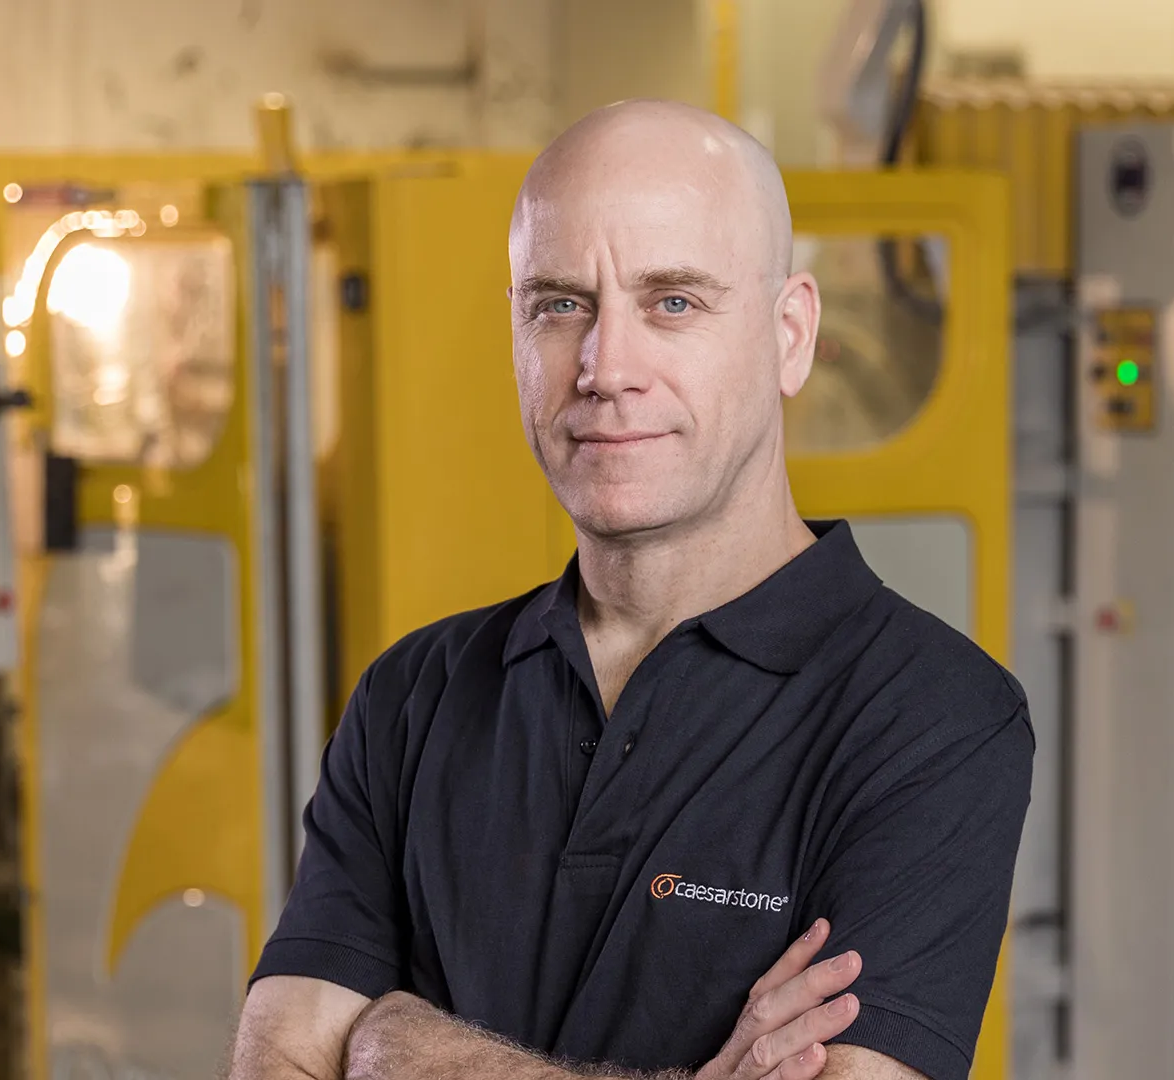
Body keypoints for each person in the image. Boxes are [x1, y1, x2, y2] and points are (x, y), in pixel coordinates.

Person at [228, 99, 1034, 1080]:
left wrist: (400, 1049)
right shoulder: (417, 693)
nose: (606, 368)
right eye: (560, 304)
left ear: (791, 336)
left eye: (673, 303)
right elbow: (278, 1061)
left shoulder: (929, 721)